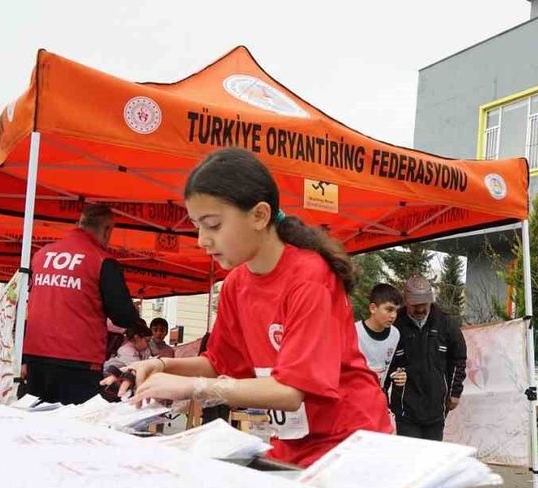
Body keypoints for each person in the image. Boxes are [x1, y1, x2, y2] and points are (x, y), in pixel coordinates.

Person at [112, 148, 391, 467]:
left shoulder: (310, 278)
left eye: (213, 225)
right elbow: (219, 362)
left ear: (259, 215)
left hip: (349, 441)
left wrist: (193, 387)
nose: (202, 240)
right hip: (292, 441)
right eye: (197, 226)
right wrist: (161, 366)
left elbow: (290, 391)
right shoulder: (236, 284)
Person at [22, 203, 144, 404]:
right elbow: (122, 316)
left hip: (36, 356)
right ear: (107, 230)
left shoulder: (41, 255)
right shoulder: (102, 260)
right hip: (79, 360)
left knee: (34, 417)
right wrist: (135, 318)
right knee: (75, 422)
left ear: (80, 223)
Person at [385, 276, 467, 441]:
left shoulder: (446, 323)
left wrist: (455, 392)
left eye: (424, 304)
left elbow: (459, 358)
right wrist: (383, 393)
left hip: (436, 407)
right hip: (405, 409)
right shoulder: (395, 325)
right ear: (406, 301)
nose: (421, 309)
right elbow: (384, 362)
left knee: (432, 455)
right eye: (415, 305)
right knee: (410, 454)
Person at [355, 283, 404, 390]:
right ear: (373, 308)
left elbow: (390, 366)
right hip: (354, 394)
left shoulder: (395, 334)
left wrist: (396, 375)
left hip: (378, 393)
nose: (393, 315)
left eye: (396, 311)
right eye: (389, 310)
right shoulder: (354, 332)